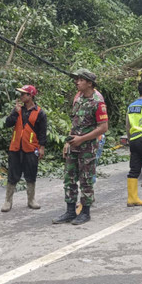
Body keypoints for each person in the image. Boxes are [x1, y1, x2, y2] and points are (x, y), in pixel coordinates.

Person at [53, 69, 108, 226]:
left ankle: (85, 212)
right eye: (76, 79)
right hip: (73, 145)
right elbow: (75, 123)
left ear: (89, 83)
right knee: (69, 178)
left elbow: (103, 127)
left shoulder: (98, 102)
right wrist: (68, 142)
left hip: (87, 147)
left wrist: (82, 139)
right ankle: (70, 211)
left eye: (80, 79)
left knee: (86, 179)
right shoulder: (78, 99)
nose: (77, 82)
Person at [1, 85, 47, 212]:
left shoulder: (40, 113)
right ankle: (8, 201)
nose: (21, 97)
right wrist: (15, 113)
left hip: (31, 148)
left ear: (30, 96)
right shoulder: (17, 110)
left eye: (23, 94)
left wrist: (41, 148)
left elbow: (43, 132)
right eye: (20, 94)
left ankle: (31, 200)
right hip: (15, 148)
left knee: (31, 174)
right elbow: (8, 123)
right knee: (12, 174)